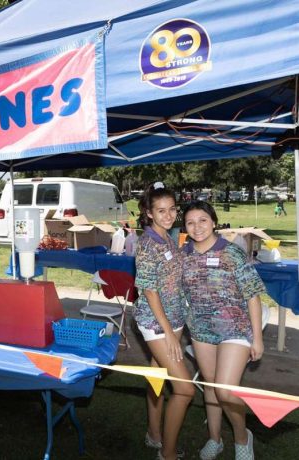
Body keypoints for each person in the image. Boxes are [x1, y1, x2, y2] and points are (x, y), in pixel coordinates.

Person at [181, 201, 265, 460]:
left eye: (203, 220)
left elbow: (252, 295)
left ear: (214, 221)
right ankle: (214, 439)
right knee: (210, 387)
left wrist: (258, 339)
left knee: (225, 391)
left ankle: (242, 438)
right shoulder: (183, 255)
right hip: (201, 331)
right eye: (190, 222)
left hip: (235, 330)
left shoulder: (232, 253)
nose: (197, 227)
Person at [135, 182, 194, 460]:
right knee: (184, 389)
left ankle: (154, 434)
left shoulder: (168, 237)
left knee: (156, 376)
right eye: (161, 211)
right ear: (148, 212)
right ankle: (168, 454)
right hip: (158, 325)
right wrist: (169, 333)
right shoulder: (148, 243)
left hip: (173, 319)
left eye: (172, 209)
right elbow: (149, 290)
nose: (169, 215)